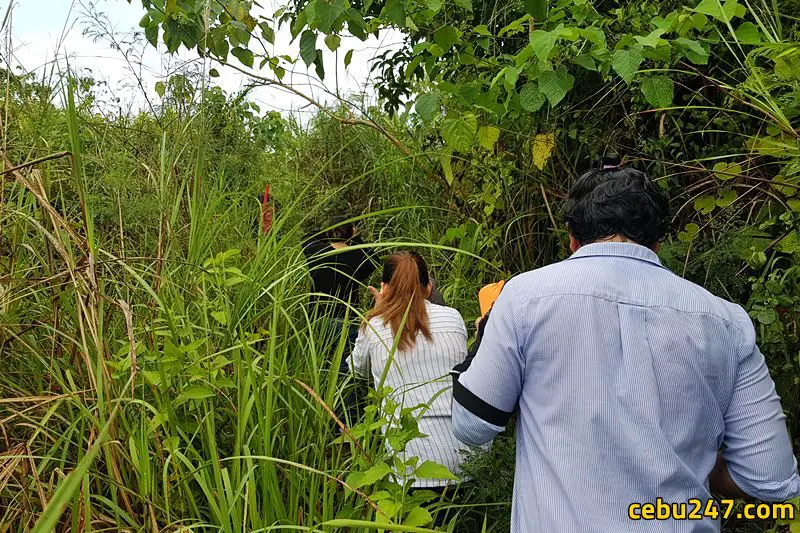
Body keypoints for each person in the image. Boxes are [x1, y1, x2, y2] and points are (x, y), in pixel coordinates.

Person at [451, 159, 800, 532]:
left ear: (571, 236)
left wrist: (483, 335)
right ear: (657, 242)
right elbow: (772, 480)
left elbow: (473, 426)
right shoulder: (727, 322)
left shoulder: (523, 298)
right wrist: (697, 469)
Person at [349, 251, 474, 496]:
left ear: (383, 288)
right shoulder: (454, 318)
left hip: (409, 466)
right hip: (467, 459)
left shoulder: (373, 327)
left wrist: (376, 312)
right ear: (429, 287)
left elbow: (356, 371)